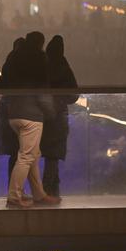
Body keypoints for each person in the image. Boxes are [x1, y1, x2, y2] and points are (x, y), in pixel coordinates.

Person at [4, 31, 60, 209]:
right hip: (32, 116)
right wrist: (51, 112)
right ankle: (14, 196)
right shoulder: (38, 59)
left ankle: (39, 194)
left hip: (14, 113)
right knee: (27, 156)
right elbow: (42, 90)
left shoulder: (14, 58)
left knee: (33, 155)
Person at [41, 35, 79, 198]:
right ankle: (50, 189)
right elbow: (73, 94)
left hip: (42, 114)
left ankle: (44, 189)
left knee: (36, 153)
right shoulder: (64, 67)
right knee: (53, 154)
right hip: (59, 115)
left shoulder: (42, 65)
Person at [0, 38, 24, 179]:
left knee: (15, 153)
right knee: (24, 154)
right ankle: (18, 189)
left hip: (8, 111)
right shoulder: (26, 65)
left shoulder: (8, 64)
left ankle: (13, 189)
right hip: (22, 112)